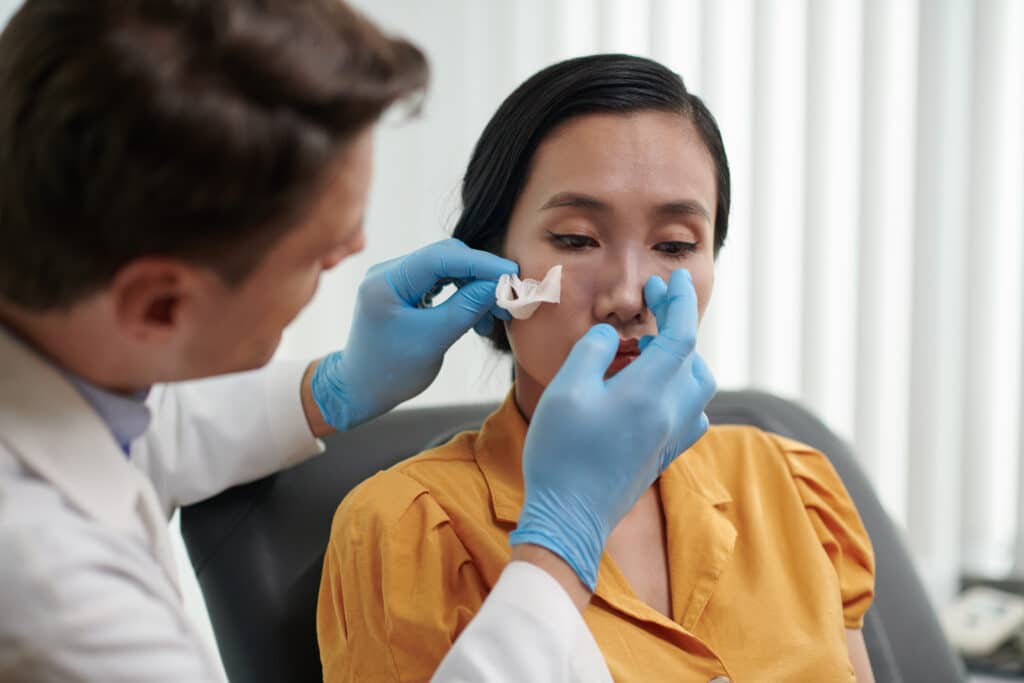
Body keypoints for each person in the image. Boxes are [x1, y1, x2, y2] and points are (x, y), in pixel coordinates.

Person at [0, 3, 713, 682]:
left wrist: (331, 387)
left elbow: (134, 432)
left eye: (677, 243)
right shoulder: (54, 595)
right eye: (319, 255)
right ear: (158, 305)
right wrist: (563, 541)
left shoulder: (788, 476)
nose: (357, 250)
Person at [318, 54, 877, 682]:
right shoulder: (411, 528)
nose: (629, 296)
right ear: (490, 265)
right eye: (578, 239)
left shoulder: (794, 487)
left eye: (675, 245)